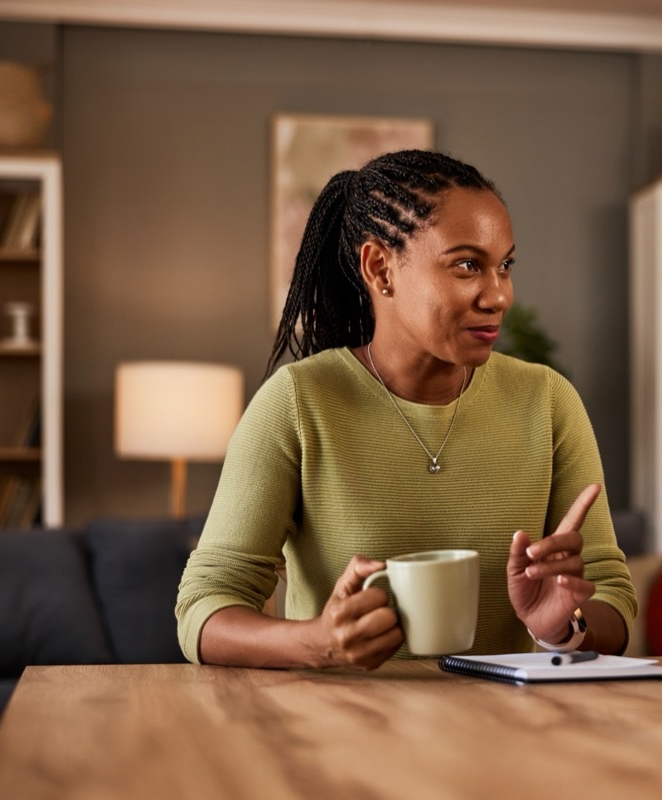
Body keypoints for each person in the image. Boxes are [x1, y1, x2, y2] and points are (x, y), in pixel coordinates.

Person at [176, 150, 636, 669]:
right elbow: (202, 608)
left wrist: (564, 628)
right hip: (340, 735)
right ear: (380, 268)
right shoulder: (298, 403)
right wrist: (316, 642)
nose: (499, 295)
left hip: (510, 735)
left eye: (505, 266)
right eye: (468, 265)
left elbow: (613, 598)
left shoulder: (548, 401)